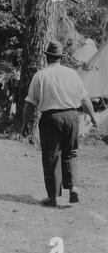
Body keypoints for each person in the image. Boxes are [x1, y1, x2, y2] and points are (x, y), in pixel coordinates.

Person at [21, 41, 97, 207]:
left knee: (51, 156)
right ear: (61, 58)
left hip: (51, 118)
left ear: (47, 56)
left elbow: (30, 104)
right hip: (72, 116)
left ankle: (53, 198)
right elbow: (84, 99)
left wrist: (24, 124)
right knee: (71, 153)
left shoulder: (40, 76)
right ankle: (73, 187)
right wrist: (93, 117)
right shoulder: (72, 74)